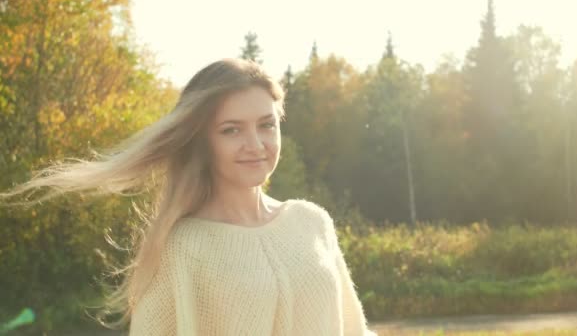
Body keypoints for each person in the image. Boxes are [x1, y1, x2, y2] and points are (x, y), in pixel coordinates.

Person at [1, 58, 376, 335]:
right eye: (231, 130)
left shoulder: (312, 223)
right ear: (202, 141)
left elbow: (354, 329)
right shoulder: (181, 247)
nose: (255, 144)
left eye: (266, 125)